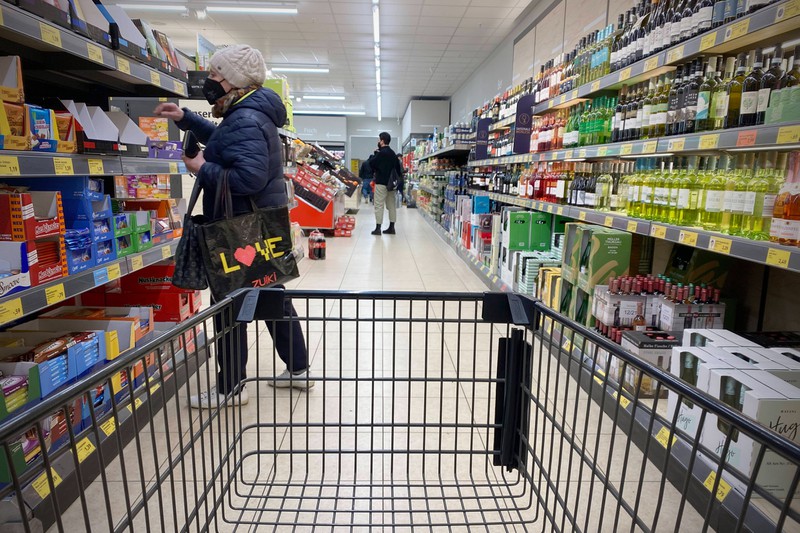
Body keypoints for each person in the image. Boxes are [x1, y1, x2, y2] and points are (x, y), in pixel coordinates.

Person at [154, 44, 314, 409]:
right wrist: (186, 119)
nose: (208, 82)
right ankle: (299, 369)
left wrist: (200, 169)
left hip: (237, 228)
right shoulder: (249, 111)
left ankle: (229, 388)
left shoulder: (244, 117)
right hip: (258, 229)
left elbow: (247, 176)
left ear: (233, 81)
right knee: (269, 297)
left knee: (228, 305)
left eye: (214, 75)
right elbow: (229, 142)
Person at [369, 132, 403, 235]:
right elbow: (398, 169)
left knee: (379, 205)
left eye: (379, 140)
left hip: (381, 183)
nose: (378, 142)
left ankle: (378, 228)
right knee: (391, 205)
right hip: (391, 184)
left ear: (382, 141)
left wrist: (375, 154)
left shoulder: (380, 153)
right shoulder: (393, 154)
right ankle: (392, 227)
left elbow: (371, 164)